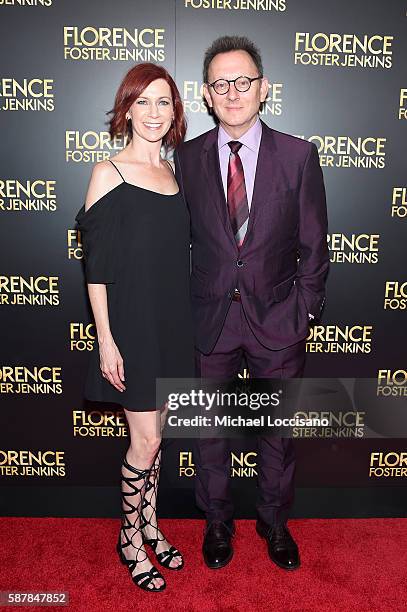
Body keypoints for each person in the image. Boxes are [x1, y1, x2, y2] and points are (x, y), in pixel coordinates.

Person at [175, 36, 329, 571]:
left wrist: (303, 310)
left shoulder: (298, 155)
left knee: (277, 432)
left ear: (263, 88)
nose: (233, 92)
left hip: (278, 321)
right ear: (207, 95)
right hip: (209, 318)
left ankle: (274, 520)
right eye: (221, 84)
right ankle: (217, 520)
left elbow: (315, 243)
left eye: (243, 81)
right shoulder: (188, 158)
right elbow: (181, 243)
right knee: (208, 430)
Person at [75, 63, 194, 592]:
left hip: (173, 324)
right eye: (141, 101)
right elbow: (95, 268)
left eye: (163, 101)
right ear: (125, 109)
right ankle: (129, 537)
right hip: (133, 328)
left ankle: (151, 524)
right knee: (142, 442)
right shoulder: (108, 173)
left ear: (175, 112)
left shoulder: (175, 173)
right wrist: (105, 339)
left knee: (159, 437)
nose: (152, 112)